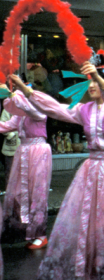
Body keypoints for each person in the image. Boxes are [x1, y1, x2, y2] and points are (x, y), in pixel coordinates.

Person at [12, 63, 104, 280]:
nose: (91, 85)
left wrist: (103, 82)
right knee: (88, 234)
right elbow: (55, 109)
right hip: (91, 171)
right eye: (89, 80)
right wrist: (26, 90)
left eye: (97, 81)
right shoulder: (84, 110)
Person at [0, 84, 52, 249]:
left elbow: (28, 108)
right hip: (23, 151)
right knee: (17, 193)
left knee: (37, 194)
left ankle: (41, 234)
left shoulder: (38, 110)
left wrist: (11, 93)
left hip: (38, 151)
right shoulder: (21, 115)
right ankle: (25, 229)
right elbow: (6, 125)